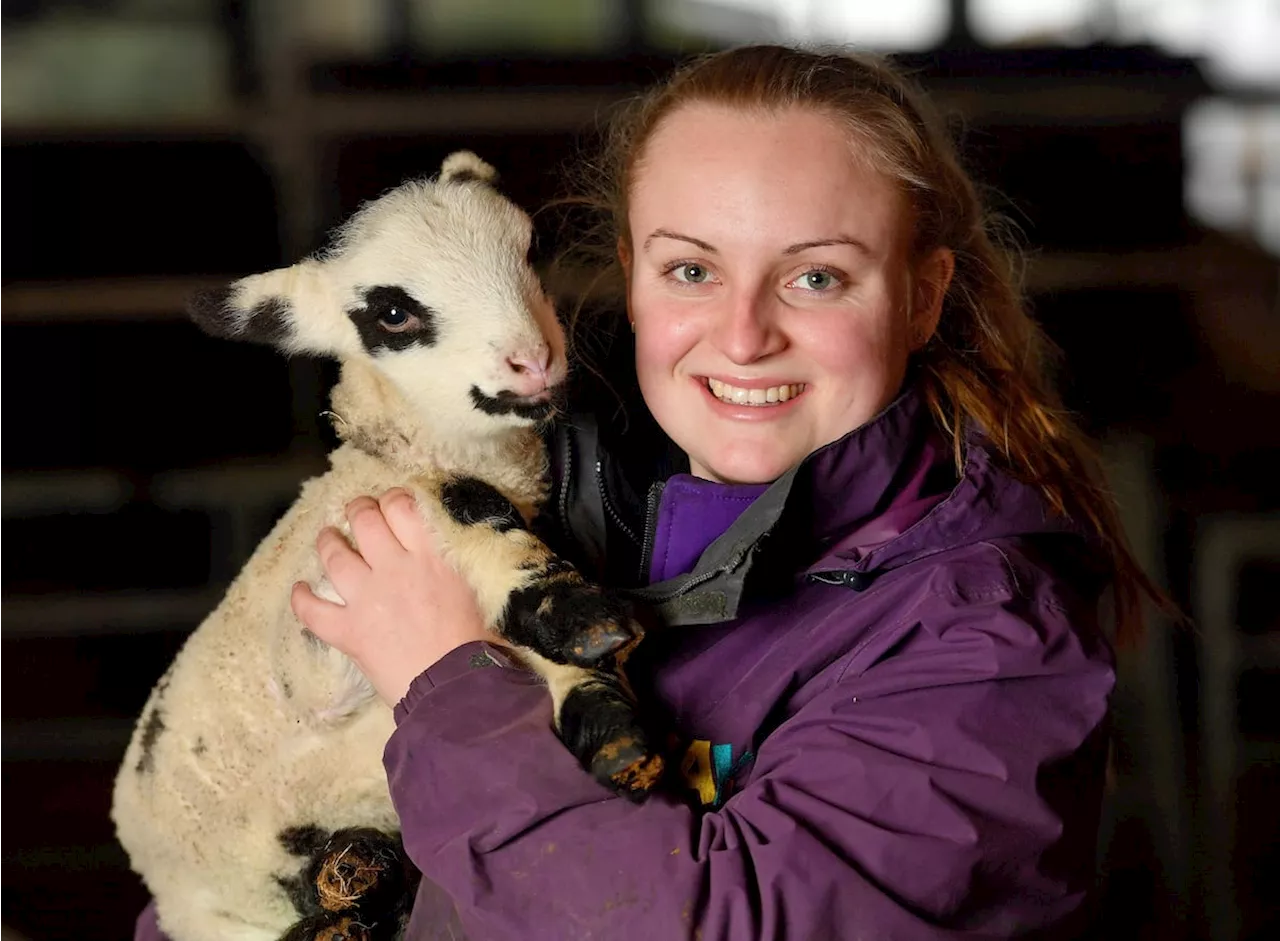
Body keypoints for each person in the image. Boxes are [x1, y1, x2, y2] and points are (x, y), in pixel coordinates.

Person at [138, 44, 1155, 940]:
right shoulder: (528, 512)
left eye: (815, 278)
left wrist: (445, 682)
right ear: (629, 273)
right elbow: (228, 797)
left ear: (921, 294)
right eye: (689, 270)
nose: (744, 333)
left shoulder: (981, 642)